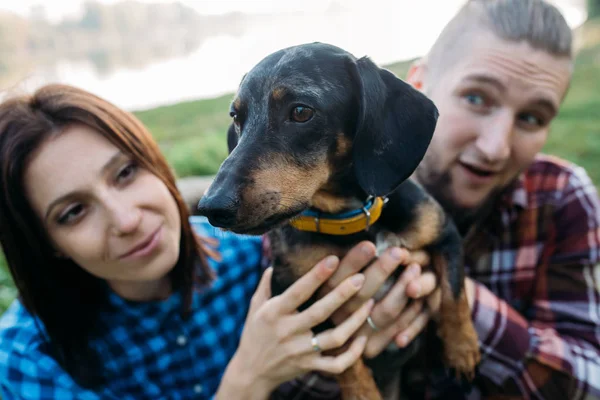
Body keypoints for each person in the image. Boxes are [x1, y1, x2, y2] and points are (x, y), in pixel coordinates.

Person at [0, 83, 431, 399]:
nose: (126, 220)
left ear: (156, 165)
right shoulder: (26, 362)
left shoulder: (259, 253)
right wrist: (249, 378)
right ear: (45, 241)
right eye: (73, 212)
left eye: (125, 173)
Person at [258, 0, 600, 399]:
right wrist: (344, 348)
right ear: (416, 85)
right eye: (476, 97)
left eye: (531, 118)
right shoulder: (309, 198)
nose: (495, 147)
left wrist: (460, 299)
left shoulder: (561, 199)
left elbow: (589, 384)